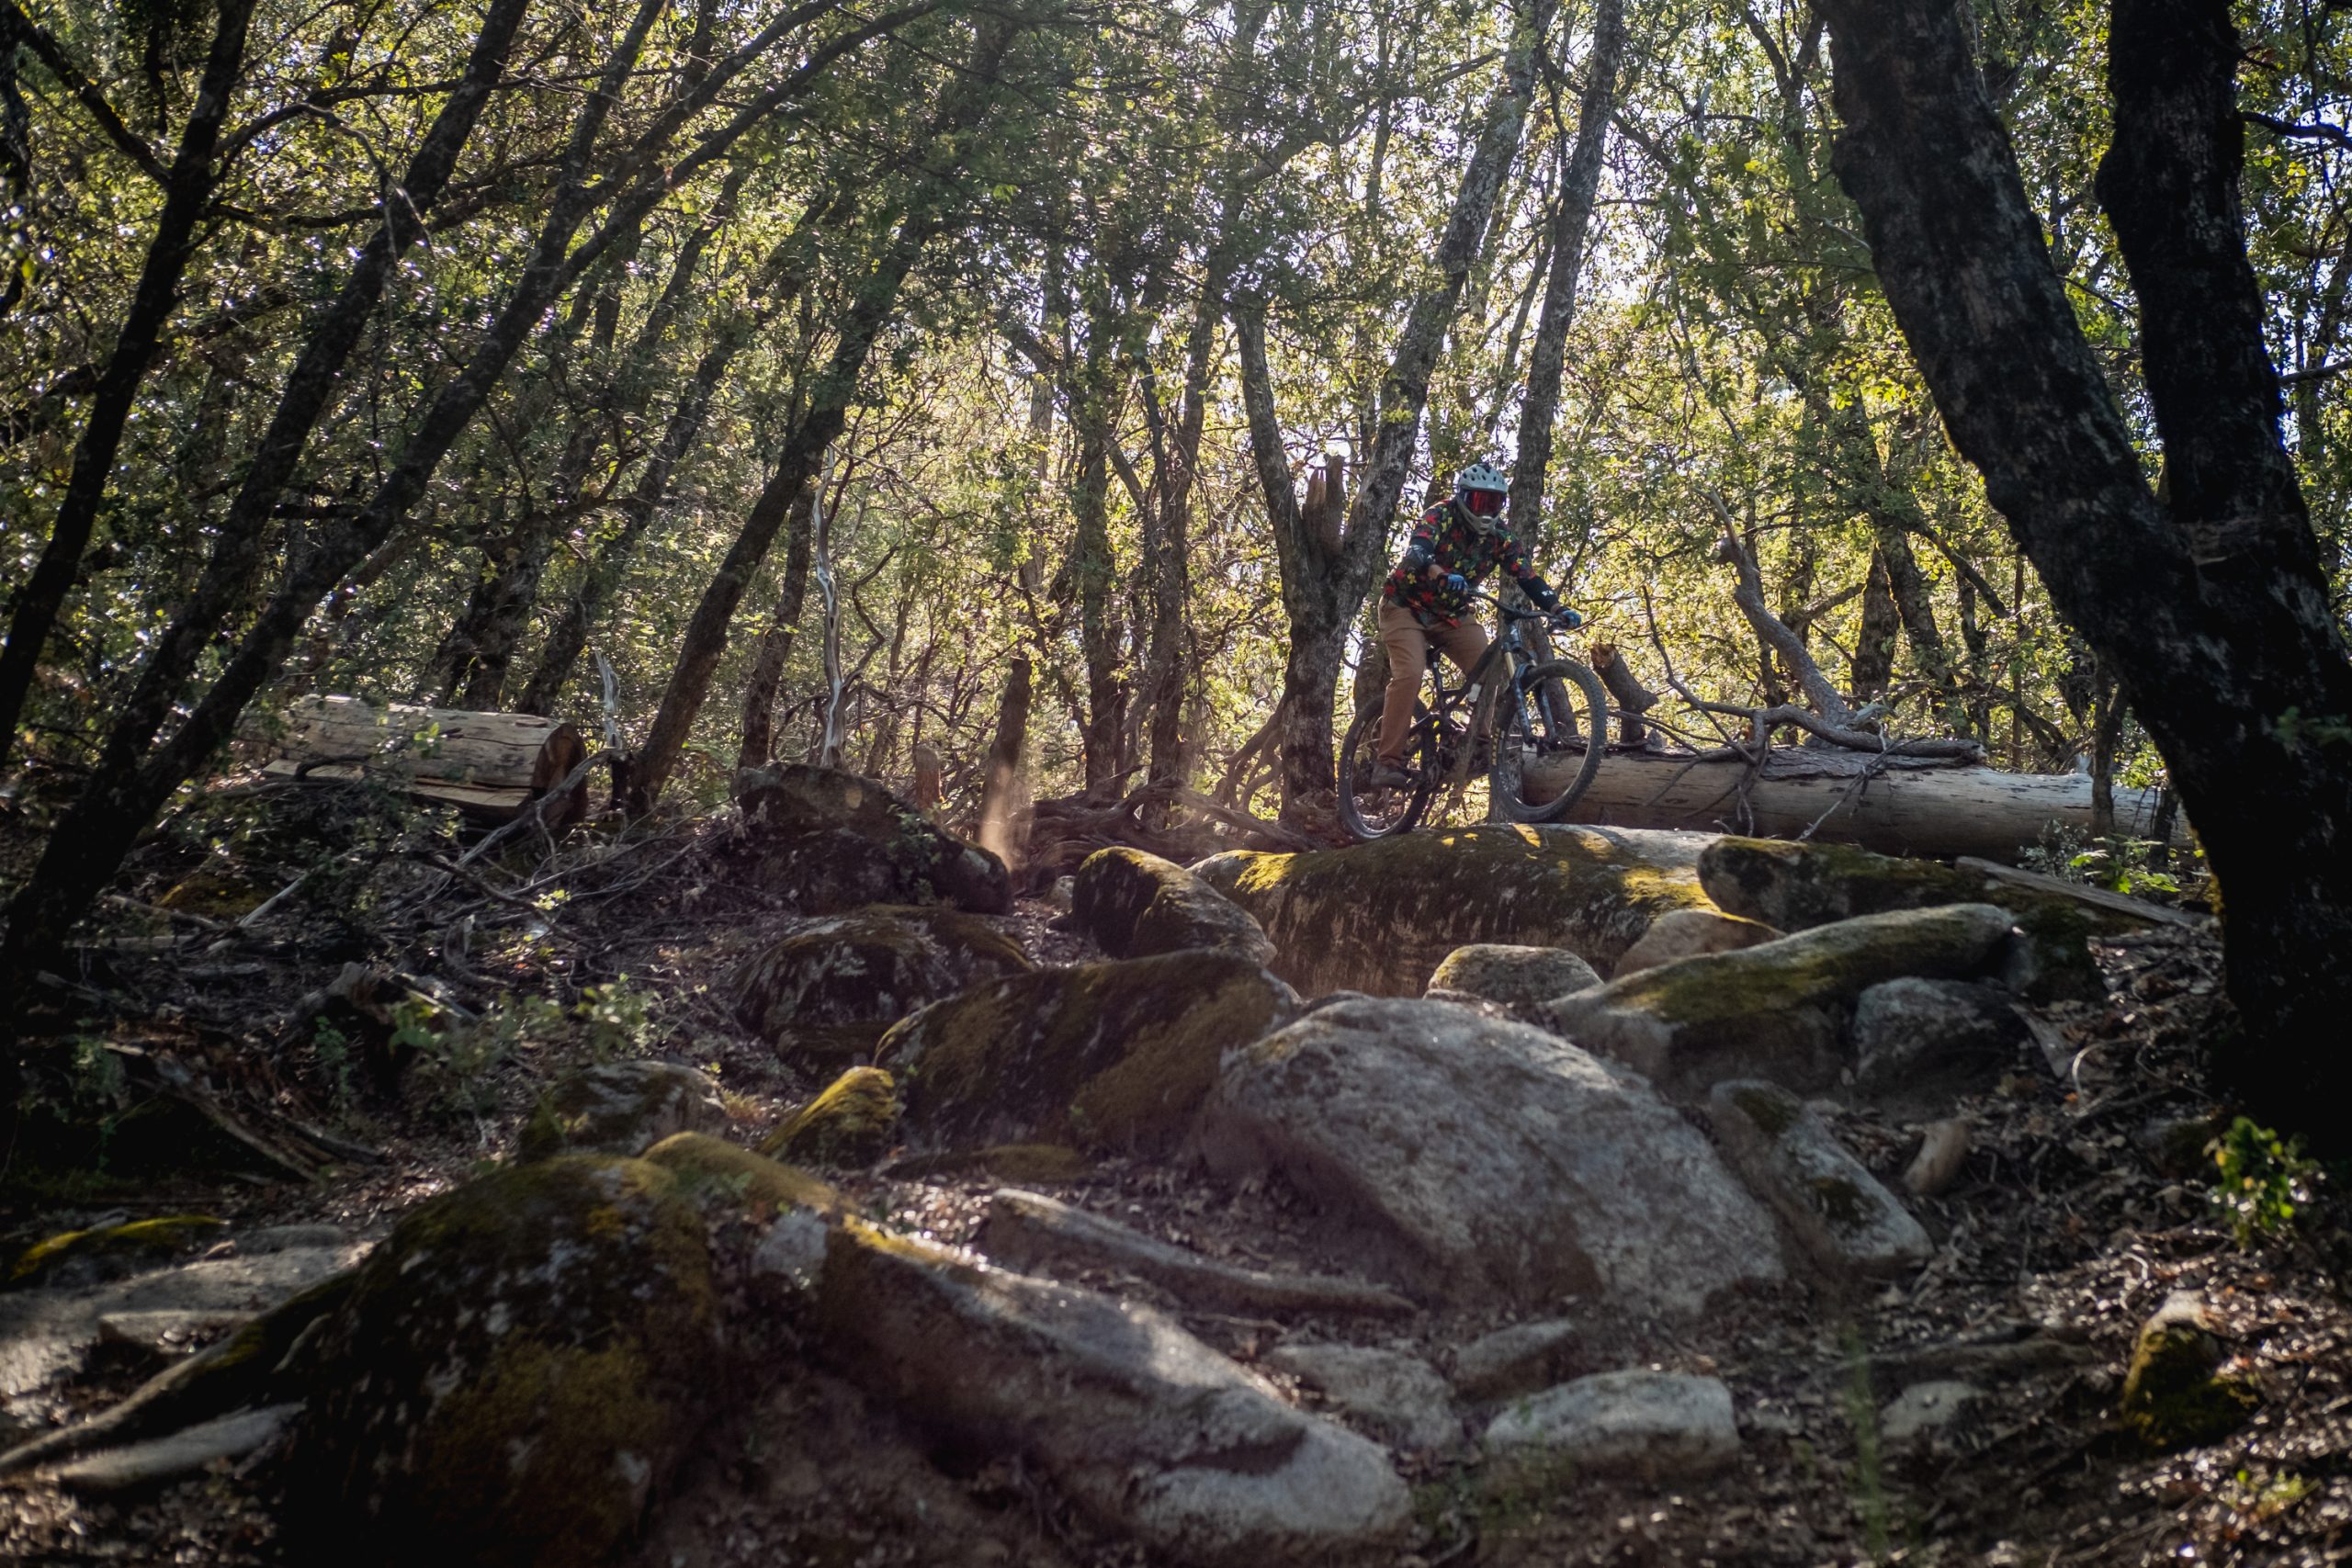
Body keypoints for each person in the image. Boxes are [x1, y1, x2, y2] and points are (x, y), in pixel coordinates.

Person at [1371, 461, 1579, 787]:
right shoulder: (1439, 515)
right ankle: (1387, 762)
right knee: (1410, 673)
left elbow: (1527, 576)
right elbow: (1417, 551)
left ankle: (1478, 741)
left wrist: (1556, 606)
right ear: (1463, 498)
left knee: (1487, 666)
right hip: (1405, 607)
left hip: (1452, 614)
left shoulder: (1501, 537)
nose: (1486, 511)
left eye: (1494, 504)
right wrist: (1440, 574)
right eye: (1480, 502)